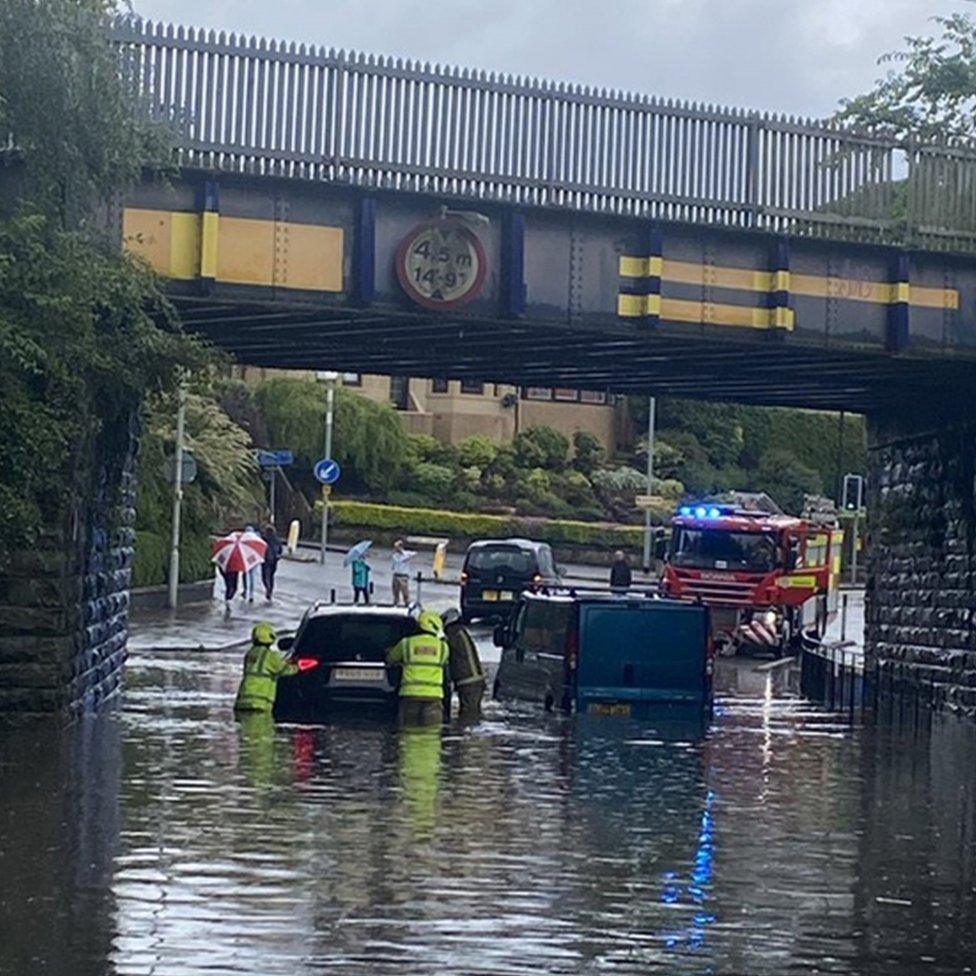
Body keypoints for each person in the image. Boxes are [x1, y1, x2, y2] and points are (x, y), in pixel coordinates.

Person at [386, 609, 449, 727]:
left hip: (410, 696)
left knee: (408, 732)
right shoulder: (443, 647)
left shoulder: (406, 643)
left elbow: (390, 659)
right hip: (434, 697)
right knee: (432, 735)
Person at [234, 621, 298, 714]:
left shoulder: (250, 653)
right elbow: (284, 670)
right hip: (260, 703)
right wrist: (297, 667)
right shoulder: (270, 655)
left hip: (242, 701)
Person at [441, 608, 486, 721]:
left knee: (469, 716)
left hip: (469, 682)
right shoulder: (460, 632)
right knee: (471, 713)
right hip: (472, 681)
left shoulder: (454, 633)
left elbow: (444, 651)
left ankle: (468, 736)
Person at [391, 539, 416, 607]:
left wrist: (403, 553)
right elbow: (393, 565)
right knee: (395, 592)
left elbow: (414, 554)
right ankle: (396, 603)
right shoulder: (395, 555)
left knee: (405, 592)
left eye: (397, 547)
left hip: (403, 576)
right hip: (396, 575)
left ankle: (407, 604)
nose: (396, 549)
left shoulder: (407, 554)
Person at [261, 524, 283, 601]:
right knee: (271, 576)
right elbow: (280, 550)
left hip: (266, 560)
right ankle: (270, 591)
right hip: (274, 561)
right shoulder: (277, 540)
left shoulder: (264, 539)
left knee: (265, 577)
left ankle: (268, 588)